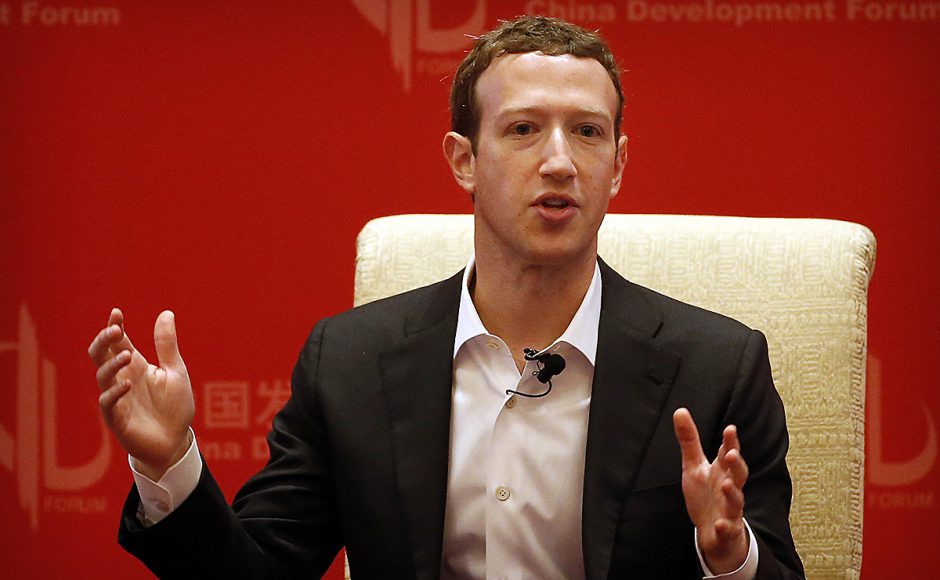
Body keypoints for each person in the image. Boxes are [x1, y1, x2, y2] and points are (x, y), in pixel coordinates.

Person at [88, 16, 804, 580]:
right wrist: (171, 462)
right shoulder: (351, 363)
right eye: (523, 130)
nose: (559, 160)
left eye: (587, 132)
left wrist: (727, 558)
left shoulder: (716, 368)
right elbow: (262, 569)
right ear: (463, 159)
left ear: (617, 165)